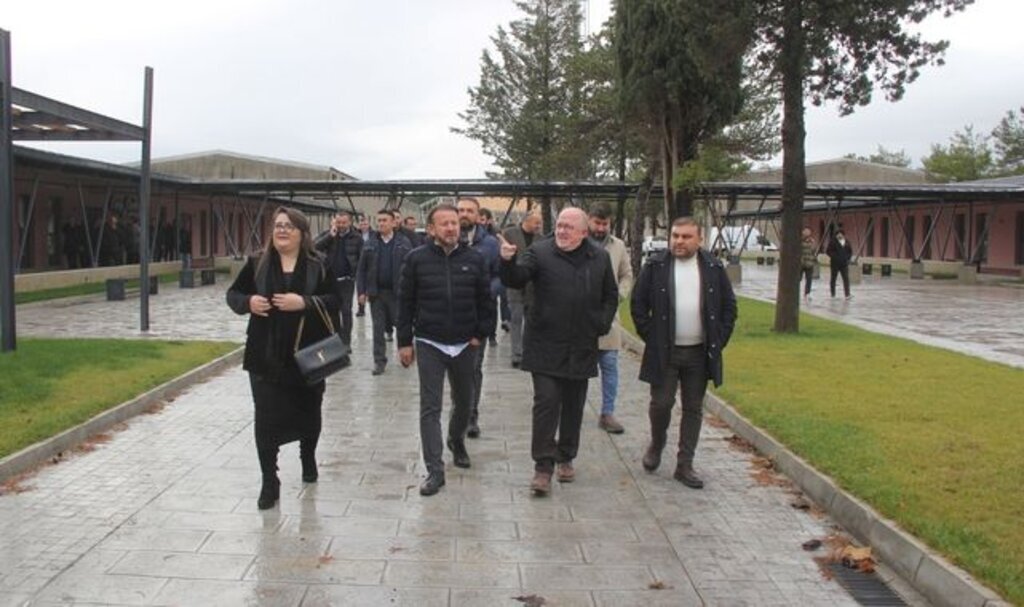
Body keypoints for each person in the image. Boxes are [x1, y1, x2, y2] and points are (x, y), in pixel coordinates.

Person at [226, 207, 339, 510]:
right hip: (265, 355)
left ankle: (307, 456)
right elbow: (233, 295)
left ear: (302, 233)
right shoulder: (257, 263)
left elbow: (335, 300)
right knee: (265, 418)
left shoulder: (319, 264)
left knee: (310, 412)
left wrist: (304, 302)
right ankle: (269, 480)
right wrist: (249, 302)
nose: (282, 230)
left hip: (308, 355)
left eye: (289, 226)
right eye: (278, 225)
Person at [499, 207, 618, 496]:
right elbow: (517, 278)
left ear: (583, 233)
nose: (562, 231)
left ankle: (566, 456)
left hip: (581, 344)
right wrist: (508, 261)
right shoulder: (540, 252)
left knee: (574, 405)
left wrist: (600, 324)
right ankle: (543, 467)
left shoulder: (599, 257)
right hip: (544, 344)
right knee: (546, 402)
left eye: (569, 227)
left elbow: (610, 296)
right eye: (560, 225)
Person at [631, 217, 737, 490]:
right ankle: (657, 442)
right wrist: (652, 338)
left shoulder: (713, 267)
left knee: (693, 407)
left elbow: (729, 308)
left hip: (699, 354)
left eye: (686, 236)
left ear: (700, 239)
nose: (679, 241)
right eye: (675, 236)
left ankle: (685, 463)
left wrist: (718, 340)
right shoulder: (655, 266)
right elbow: (638, 305)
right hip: (665, 352)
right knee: (661, 403)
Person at [397, 204, 495, 496]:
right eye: (444, 224)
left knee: (464, 402)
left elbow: (486, 300)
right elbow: (405, 302)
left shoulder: (475, 259)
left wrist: (480, 334)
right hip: (430, 341)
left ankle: (456, 439)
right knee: (430, 406)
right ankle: (435, 470)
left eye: (454, 223)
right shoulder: (416, 259)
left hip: (465, 343)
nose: (451, 228)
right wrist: (404, 342)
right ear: (431, 229)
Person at [456, 197, 500, 438]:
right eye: (460, 210)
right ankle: (458, 410)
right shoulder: (446, 239)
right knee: (454, 369)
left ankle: (471, 415)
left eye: (469, 210)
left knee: (473, 367)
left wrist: (486, 292)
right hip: (450, 315)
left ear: (478, 214)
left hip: (478, 315)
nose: (464, 214)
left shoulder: (490, 244)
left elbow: (499, 276)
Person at [588, 203, 634, 434]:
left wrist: (619, 295)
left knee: (610, 367)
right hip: (580, 320)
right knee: (576, 371)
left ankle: (607, 413)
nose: (601, 228)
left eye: (605, 224)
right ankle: (570, 411)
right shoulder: (578, 242)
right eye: (597, 223)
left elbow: (627, 274)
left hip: (609, 319)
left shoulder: (618, 246)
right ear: (589, 220)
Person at [356, 209, 412, 376]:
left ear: (393, 223)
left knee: (401, 325)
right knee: (378, 328)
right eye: (379, 220)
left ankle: (405, 355)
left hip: (397, 293)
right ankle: (379, 361)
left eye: (384, 220)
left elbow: (411, 268)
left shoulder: (403, 243)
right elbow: (361, 270)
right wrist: (361, 291)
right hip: (377, 294)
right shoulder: (370, 243)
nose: (381, 223)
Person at [314, 210, 363, 347]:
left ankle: (346, 342)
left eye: (344, 222)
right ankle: (335, 340)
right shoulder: (328, 235)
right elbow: (314, 247)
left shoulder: (357, 238)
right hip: (329, 280)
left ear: (350, 222)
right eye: (338, 222)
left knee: (346, 311)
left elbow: (362, 259)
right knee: (331, 311)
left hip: (347, 280)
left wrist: (360, 280)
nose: (341, 225)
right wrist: (330, 236)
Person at [501, 211, 542, 368]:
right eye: (536, 222)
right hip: (514, 286)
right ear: (527, 221)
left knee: (531, 321)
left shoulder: (541, 239)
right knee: (516, 319)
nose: (538, 226)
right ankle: (516, 354)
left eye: (540, 223)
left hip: (533, 287)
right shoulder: (509, 234)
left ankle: (529, 351)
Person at [827, 229, 854, 300]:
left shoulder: (847, 242)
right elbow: (828, 251)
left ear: (843, 235)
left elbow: (850, 251)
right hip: (835, 264)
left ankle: (847, 294)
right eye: (838, 234)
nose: (839, 235)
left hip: (844, 264)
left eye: (841, 234)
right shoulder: (832, 242)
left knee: (846, 279)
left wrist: (847, 258)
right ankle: (833, 294)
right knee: (833, 279)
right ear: (836, 235)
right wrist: (835, 257)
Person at [355, 215, 373, 317]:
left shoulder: (374, 235)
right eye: (361, 224)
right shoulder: (356, 235)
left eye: (365, 224)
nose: (363, 226)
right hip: (360, 263)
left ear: (369, 224)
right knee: (360, 286)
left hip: (371, 263)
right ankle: (361, 308)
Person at [800, 227, 817, 301]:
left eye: (808, 231)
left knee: (809, 279)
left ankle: (807, 293)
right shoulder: (799, 240)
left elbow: (813, 250)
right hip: (801, 263)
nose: (807, 232)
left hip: (809, 263)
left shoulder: (812, 241)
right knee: (798, 278)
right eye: (805, 231)